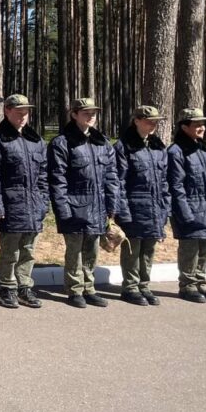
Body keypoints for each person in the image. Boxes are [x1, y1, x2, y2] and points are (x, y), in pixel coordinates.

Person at [48, 97, 120, 308]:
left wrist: (111, 205)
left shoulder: (102, 142)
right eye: (86, 113)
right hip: (74, 206)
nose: (91, 116)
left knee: (92, 250)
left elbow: (111, 176)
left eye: (93, 113)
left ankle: (89, 288)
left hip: (98, 207)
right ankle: (74, 290)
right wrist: (63, 209)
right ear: (74, 115)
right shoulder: (62, 143)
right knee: (75, 251)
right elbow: (57, 179)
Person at [0, 94, 48, 309]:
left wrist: (43, 203)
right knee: (10, 251)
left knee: (28, 250)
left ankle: (24, 287)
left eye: (26, 112)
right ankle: (7, 287)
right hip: (10, 204)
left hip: (33, 205)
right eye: (18, 111)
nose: (23, 115)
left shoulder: (36, 141)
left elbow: (43, 176)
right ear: (7, 111)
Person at [168, 107, 206, 303]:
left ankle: (200, 283)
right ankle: (187, 286)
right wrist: (184, 212)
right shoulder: (176, 152)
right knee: (190, 248)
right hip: (189, 207)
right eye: (197, 125)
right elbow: (176, 185)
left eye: (203, 124)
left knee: (205, 247)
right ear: (184, 127)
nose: (202, 128)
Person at [114, 105, 170, 306]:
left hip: (155, 207)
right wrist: (122, 210)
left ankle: (144, 286)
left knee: (148, 249)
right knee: (133, 249)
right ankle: (130, 287)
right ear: (136, 120)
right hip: (134, 206)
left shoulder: (158, 147)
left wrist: (165, 207)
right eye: (149, 121)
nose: (153, 125)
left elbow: (164, 181)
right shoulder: (123, 146)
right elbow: (118, 182)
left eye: (156, 122)